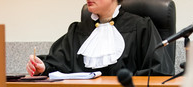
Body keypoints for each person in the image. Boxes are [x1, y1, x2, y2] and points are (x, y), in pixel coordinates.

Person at [26, 0, 174, 76]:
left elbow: (158, 70)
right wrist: (42, 67)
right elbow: (58, 64)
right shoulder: (78, 30)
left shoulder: (141, 27)